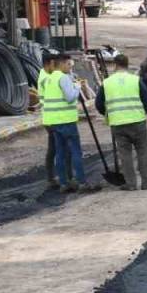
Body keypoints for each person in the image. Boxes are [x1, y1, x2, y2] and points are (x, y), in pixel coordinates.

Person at [96, 54, 147, 191]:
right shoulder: (135, 80)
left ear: (115, 65)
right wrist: (142, 112)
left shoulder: (107, 82)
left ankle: (130, 184)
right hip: (137, 121)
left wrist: (109, 114)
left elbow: (99, 104)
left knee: (125, 154)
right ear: (127, 64)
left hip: (118, 123)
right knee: (142, 151)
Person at [43, 54, 100, 193]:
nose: (70, 68)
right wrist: (77, 87)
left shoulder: (48, 79)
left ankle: (64, 183)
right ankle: (81, 182)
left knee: (60, 153)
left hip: (54, 122)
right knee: (75, 152)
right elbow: (70, 97)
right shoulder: (63, 78)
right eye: (69, 65)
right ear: (61, 64)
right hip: (66, 121)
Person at [34, 50, 62, 189]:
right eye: (55, 64)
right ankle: (54, 178)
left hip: (50, 118)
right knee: (56, 149)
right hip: (52, 119)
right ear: (50, 63)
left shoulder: (45, 75)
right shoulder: (46, 78)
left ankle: (52, 177)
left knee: (54, 148)